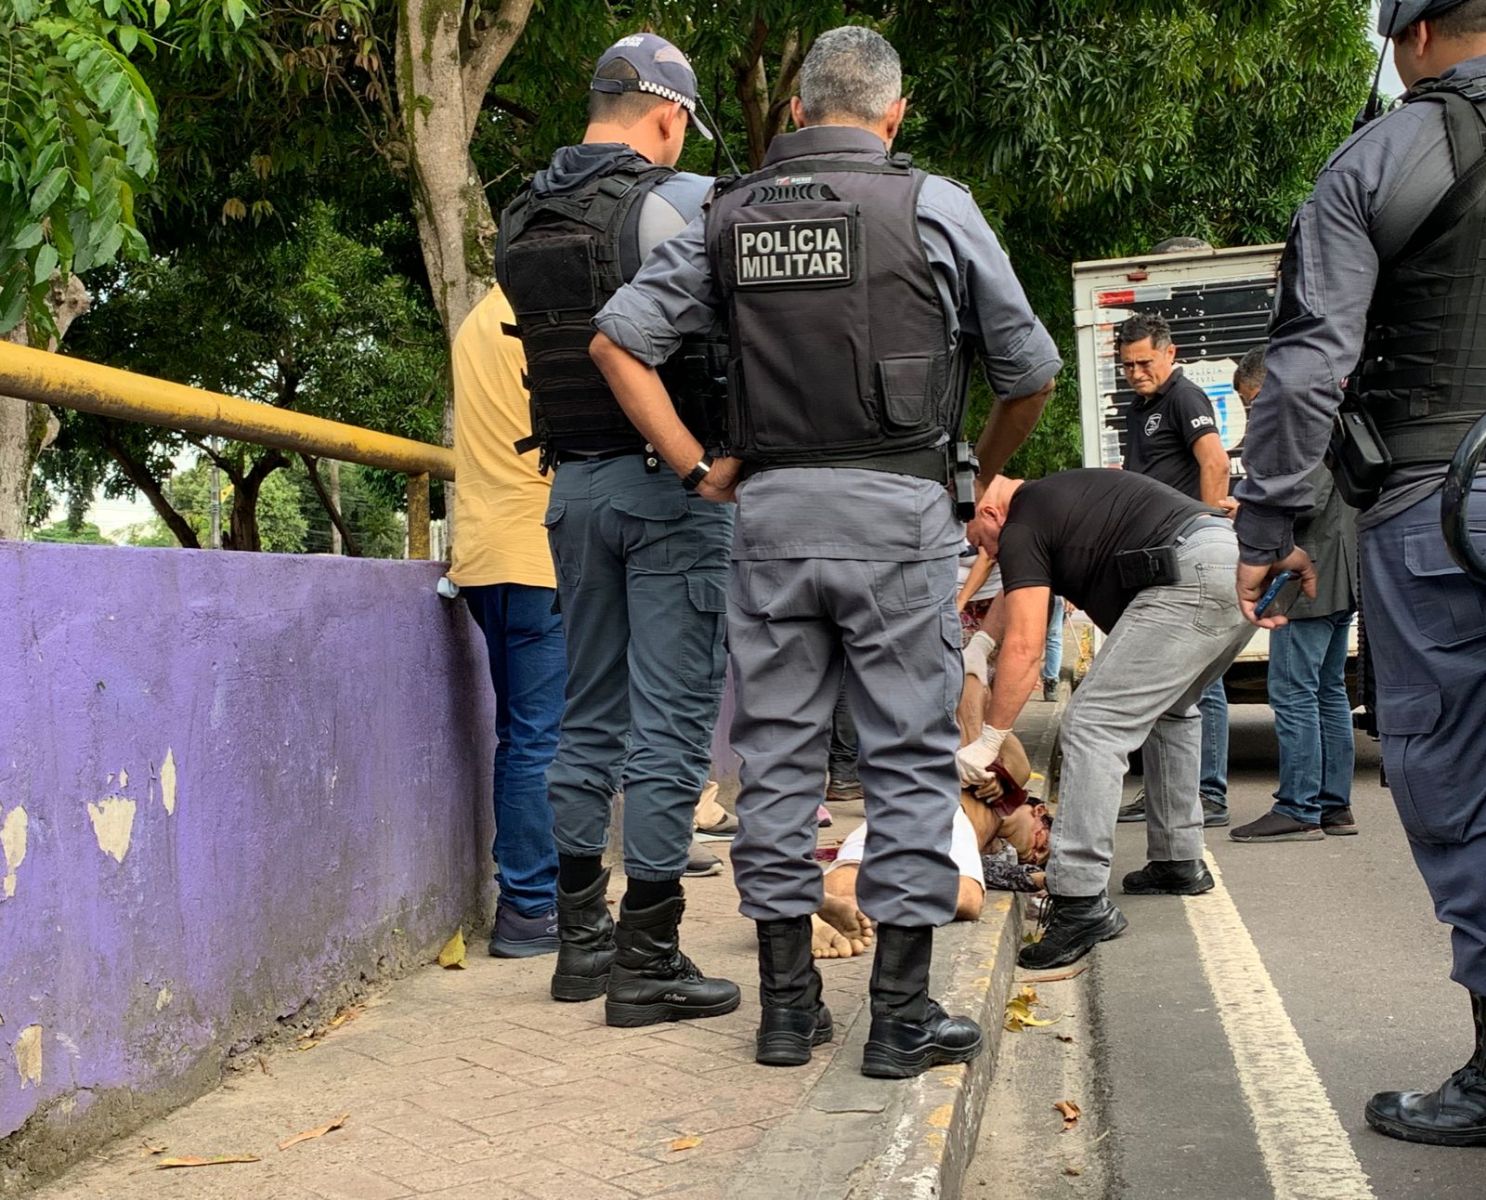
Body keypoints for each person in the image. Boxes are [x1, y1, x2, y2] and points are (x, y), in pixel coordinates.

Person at [589, 25, 1060, 1076]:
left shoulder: (724, 213)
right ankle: (897, 1020)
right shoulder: (933, 206)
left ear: (797, 114)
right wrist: (971, 474)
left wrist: (691, 462)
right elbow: (1029, 370)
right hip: (899, 521)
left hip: (768, 523)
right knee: (902, 763)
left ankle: (786, 1015)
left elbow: (616, 341)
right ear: (893, 116)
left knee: (777, 764)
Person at [1232, 0, 1486, 1145]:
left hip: (1436, 506)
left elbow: (1304, 372)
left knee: (1455, 780)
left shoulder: (1380, 159)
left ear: (1417, 30)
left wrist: (1270, 522)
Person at [494, 33, 739, 1027]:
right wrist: (700, 462)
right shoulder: (680, 202)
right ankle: (649, 959)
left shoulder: (521, 217)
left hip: (572, 492)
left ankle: (579, 945)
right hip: (671, 490)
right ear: (668, 116)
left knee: (585, 715)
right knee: (672, 723)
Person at [964, 469, 1252, 969]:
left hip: (1189, 576)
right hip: (1231, 564)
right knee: (1172, 711)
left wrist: (989, 740)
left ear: (989, 513)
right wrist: (980, 646)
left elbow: (1028, 646)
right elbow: (1022, 599)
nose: (989, 557)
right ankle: (1177, 860)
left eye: (983, 545)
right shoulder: (1051, 502)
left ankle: (1079, 902)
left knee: (1094, 724)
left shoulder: (1022, 520)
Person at [446, 289, 565, 958]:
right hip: (539, 552)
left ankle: (536, 897)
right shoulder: (545, 315)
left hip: (483, 552)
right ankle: (530, 907)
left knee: (520, 734)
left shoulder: (476, 322)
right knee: (538, 740)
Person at [1230, 350, 1359, 843]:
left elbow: (1302, 501)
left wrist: (1247, 515)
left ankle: (1299, 807)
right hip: (1340, 574)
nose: (1251, 414)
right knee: (1327, 692)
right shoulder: (1327, 416)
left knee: (1292, 691)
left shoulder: (1301, 429)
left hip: (1308, 580)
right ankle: (1333, 806)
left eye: (1253, 402)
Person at [1113, 312, 1236, 830]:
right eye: (1128, 365)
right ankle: (1167, 792)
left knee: (1199, 676)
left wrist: (1208, 528)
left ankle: (1206, 792)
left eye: (1145, 362)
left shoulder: (1184, 397)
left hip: (1188, 550)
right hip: (1153, 552)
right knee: (1166, 680)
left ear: (1169, 352)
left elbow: (1215, 462)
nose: (1137, 372)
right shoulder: (1141, 407)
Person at [816, 734, 1048, 958]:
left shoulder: (998, 848)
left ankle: (817, 906)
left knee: (850, 872)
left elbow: (1003, 874)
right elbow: (992, 719)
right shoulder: (1008, 782)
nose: (1035, 856)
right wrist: (982, 750)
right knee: (969, 896)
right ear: (1039, 812)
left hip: (902, 811)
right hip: (947, 812)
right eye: (1042, 844)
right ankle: (851, 902)